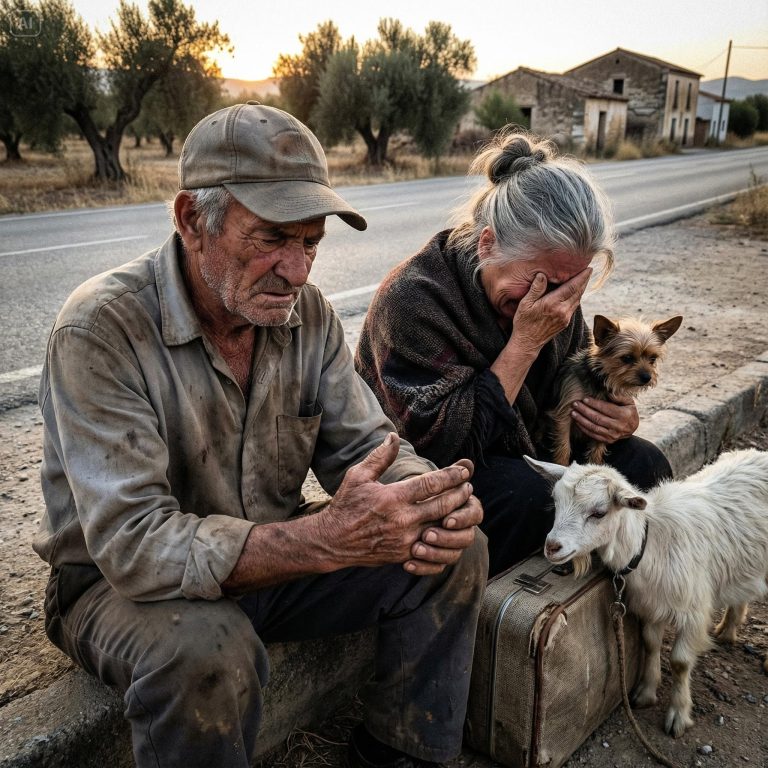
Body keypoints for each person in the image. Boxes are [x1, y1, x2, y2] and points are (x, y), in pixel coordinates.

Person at [34, 103, 488, 768]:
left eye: (309, 244)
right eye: (272, 239)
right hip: (116, 588)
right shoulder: (100, 330)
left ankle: (400, 753)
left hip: (271, 557)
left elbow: (369, 446)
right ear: (192, 220)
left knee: (458, 547)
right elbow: (132, 544)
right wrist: (319, 541)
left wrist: (429, 500)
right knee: (210, 654)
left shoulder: (308, 317)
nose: (297, 271)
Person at [355, 130, 673, 577]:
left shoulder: (554, 294)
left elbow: (569, 388)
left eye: (569, 285)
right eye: (539, 281)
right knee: (529, 496)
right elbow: (442, 447)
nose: (554, 301)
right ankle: (501, 620)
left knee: (644, 465)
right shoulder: (414, 301)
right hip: (429, 470)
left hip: (525, 448)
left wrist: (617, 416)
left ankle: (607, 603)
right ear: (488, 245)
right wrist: (524, 342)